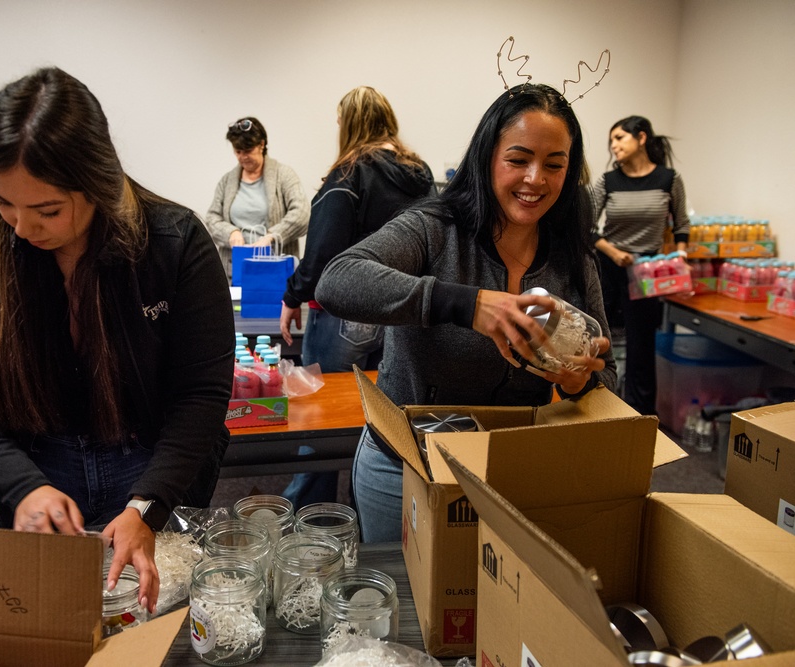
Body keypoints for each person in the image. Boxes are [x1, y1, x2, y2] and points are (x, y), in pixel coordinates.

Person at [0, 67, 235, 614]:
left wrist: (148, 505)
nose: (21, 227)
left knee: (154, 623)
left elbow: (202, 394)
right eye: (3, 202)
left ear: (98, 184)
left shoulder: (174, 244)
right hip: (37, 467)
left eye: (46, 209)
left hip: (153, 462)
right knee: (49, 621)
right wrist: (22, 486)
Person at [315, 84, 617, 542]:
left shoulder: (573, 259)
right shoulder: (435, 230)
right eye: (518, 160)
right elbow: (338, 279)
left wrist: (580, 382)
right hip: (405, 468)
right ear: (487, 158)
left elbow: (607, 379)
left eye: (554, 165)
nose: (535, 179)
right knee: (407, 604)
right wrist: (468, 305)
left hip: (508, 473)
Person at [278, 85, 435, 509]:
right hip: (404, 313)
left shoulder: (349, 173)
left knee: (320, 416)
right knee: (389, 421)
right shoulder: (420, 174)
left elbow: (323, 251)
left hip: (348, 314)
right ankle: (378, 512)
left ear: (349, 124)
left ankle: (313, 516)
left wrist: (293, 296)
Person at [590, 115, 690, 416]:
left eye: (619, 138)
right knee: (600, 340)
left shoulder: (668, 180)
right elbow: (586, 226)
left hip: (648, 273)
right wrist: (614, 252)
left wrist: (680, 257)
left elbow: (682, 224)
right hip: (608, 268)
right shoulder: (607, 181)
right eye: (612, 141)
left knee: (641, 348)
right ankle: (597, 409)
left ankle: (640, 418)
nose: (614, 145)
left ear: (642, 138)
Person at [205, 117, 309, 278]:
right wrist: (231, 233)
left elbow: (302, 214)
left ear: (261, 145)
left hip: (275, 271)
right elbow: (212, 218)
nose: (242, 157)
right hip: (234, 273)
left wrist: (272, 236)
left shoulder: (284, 175)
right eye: (237, 152)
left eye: (247, 151)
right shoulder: (227, 181)